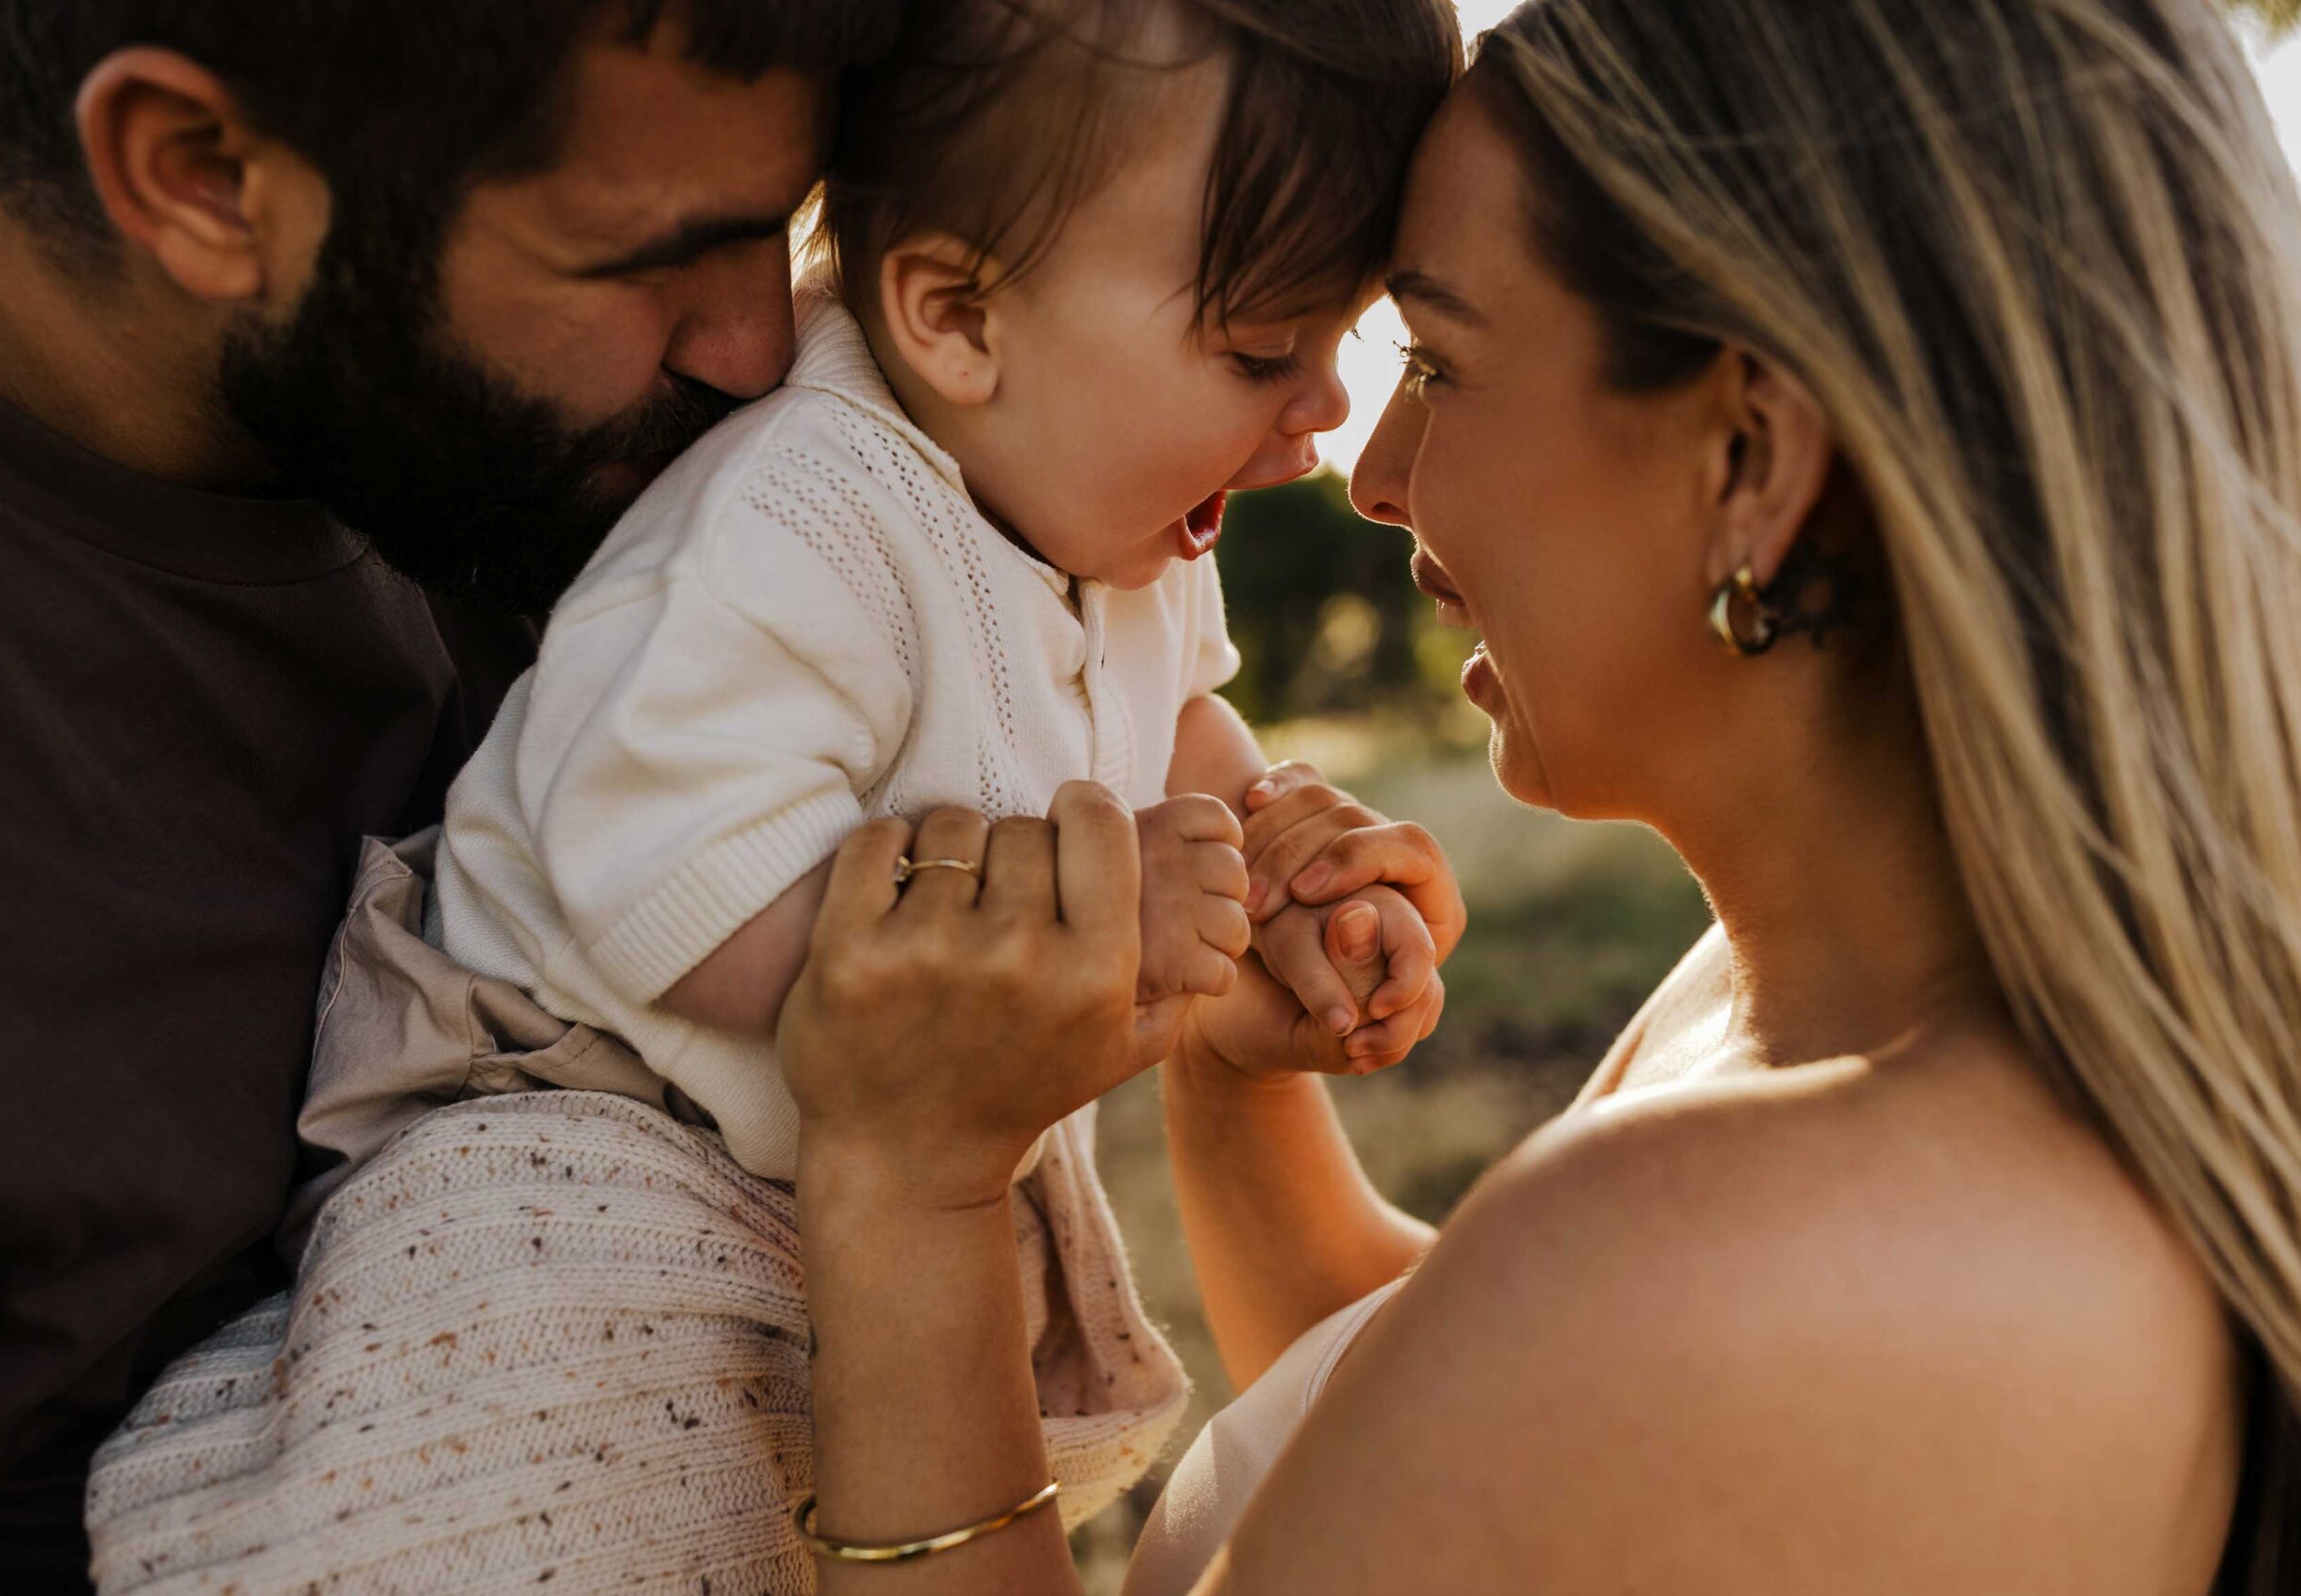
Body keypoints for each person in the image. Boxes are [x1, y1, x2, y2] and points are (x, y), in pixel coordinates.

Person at [773, 0, 2301, 1589]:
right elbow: (1454, 1437)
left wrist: (913, 1192)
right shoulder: (1805, 1058)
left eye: (1440, 362)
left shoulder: (1731, 1258)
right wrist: (1241, 1084)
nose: (1372, 471)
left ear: (1749, 457)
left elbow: (1557, 1379)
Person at [0, 2, 896, 1585]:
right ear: (200, 176)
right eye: (645, 259)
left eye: (794, 223)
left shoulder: (616, 481)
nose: (759, 349)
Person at [290, 0, 1465, 1196]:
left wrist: (1274, 865)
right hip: (539, 1128)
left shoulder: (1120, 522)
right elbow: (672, 868)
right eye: (1266, 349)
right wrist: (1089, 919)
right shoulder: (797, 514)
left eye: (1350, 339)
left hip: (802, 1173)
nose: (1327, 410)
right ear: (959, 320)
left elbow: (1171, 732)